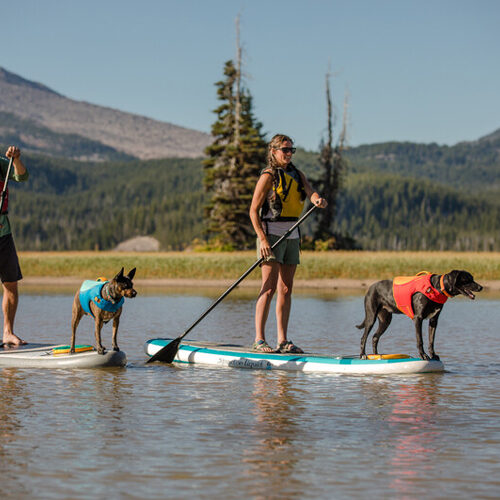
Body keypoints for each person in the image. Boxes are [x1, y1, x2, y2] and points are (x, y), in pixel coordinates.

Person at [249, 134, 327, 353]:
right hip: (271, 235)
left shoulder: (296, 173)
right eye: (285, 150)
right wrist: (262, 239)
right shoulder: (268, 175)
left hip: (292, 234)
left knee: (286, 288)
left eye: (291, 150)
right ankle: (259, 340)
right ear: (273, 151)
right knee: (269, 287)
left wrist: (317, 200)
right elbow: (253, 211)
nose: (289, 153)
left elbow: (310, 191)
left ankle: (282, 341)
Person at [0, 146, 29, 346]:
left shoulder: (1, 163)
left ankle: (8, 332)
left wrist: (16, 159)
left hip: (4, 234)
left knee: (11, 284)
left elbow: (22, 177)